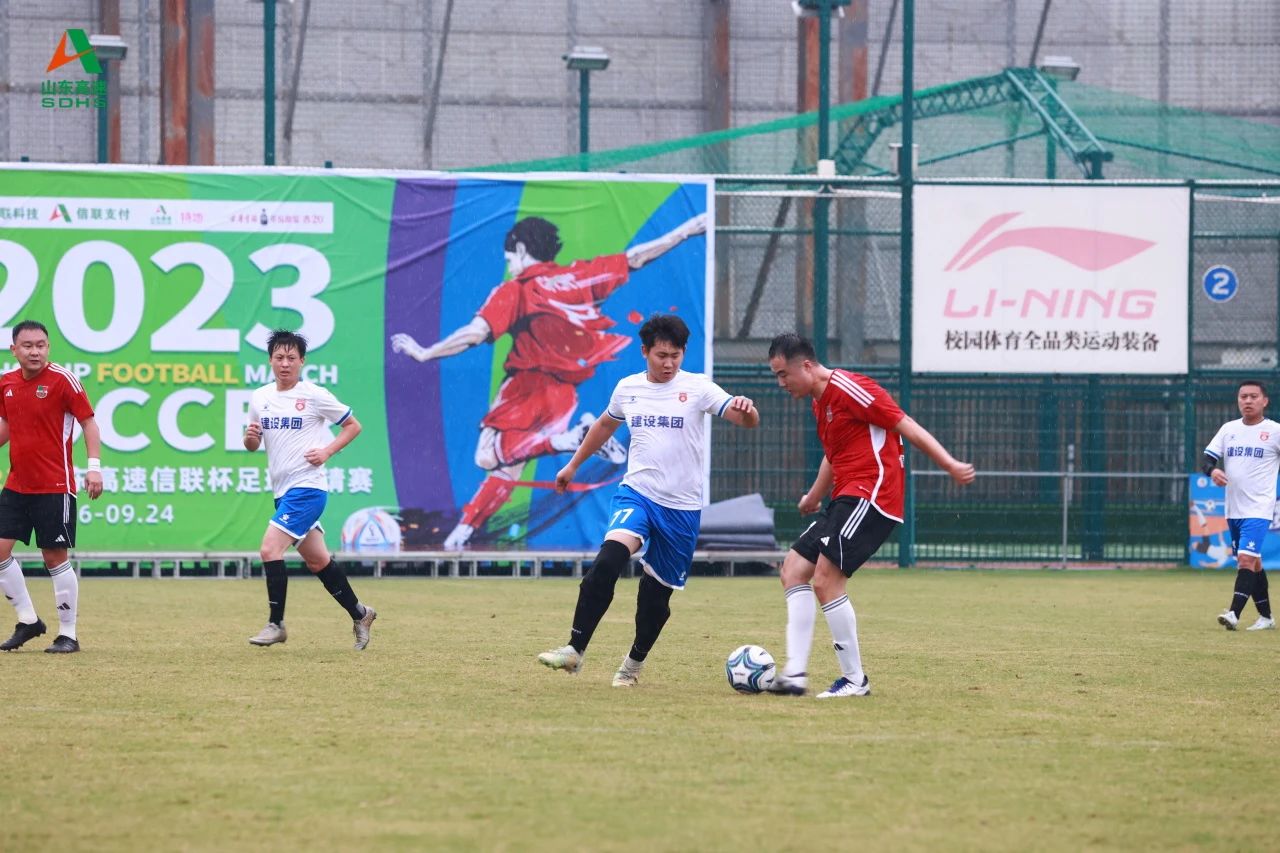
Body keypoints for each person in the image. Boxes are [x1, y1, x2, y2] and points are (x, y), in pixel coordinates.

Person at [390, 212, 707, 550]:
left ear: (521, 249)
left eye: (509, 259)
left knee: (486, 456)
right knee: (509, 469)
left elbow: (474, 334)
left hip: (526, 384)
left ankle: (568, 439)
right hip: (564, 395)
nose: (510, 266)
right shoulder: (580, 276)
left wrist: (426, 353)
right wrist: (687, 229)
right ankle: (462, 534)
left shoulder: (517, 290)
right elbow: (637, 257)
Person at [537, 314, 759, 686]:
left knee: (654, 601)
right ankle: (574, 650)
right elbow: (604, 425)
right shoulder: (628, 388)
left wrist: (748, 411)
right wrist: (573, 465)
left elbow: (745, 420)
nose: (669, 363)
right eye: (661, 355)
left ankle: (632, 665)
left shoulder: (698, 387)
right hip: (638, 494)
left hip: (682, 509)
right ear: (645, 352)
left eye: (675, 355)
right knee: (607, 561)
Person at [765, 333, 976, 698]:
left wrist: (950, 464)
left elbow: (905, 424)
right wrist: (813, 496)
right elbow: (834, 456)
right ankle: (795, 674)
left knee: (825, 580)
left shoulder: (851, 388)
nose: (781, 383)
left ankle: (854, 680)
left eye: (783, 374)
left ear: (807, 366)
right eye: (776, 376)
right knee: (793, 569)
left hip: (873, 495)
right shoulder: (819, 403)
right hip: (846, 497)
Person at [243, 329, 378, 649]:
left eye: (291, 358)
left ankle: (276, 624)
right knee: (318, 561)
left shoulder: (314, 395)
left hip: (308, 489)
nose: (285, 363)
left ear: (302, 361)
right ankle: (361, 614)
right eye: (279, 357)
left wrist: (327, 452)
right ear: (270, 360)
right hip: (282, 493)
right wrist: (250, 437)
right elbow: (252, 444)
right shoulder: (260, 397)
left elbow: (353, 426)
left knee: (269, 550)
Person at [0, 321, 103, 654]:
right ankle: (28, 620)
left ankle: (68, 634)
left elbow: (88, 423)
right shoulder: (6, 383)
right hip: (17, 484)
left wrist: (94, 468)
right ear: (14, 349)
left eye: (41, 345)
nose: (35, 351)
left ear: (48, 347)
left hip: (55, 486)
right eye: (27, 345)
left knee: (54, 557)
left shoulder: (63, 380)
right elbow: (6, 427)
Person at [1204, 380, 1278, 631]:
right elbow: (1207, 459)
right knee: (1254, 563)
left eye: (1253, 396)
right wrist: (1213, 471)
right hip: (1234, 509)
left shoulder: (1275, 431)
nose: (1247, 400)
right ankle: (1266, 617)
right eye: (1243, 396)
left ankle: (1233, 614)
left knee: (1245, 560)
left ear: (1264, 401)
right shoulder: (1229, 429)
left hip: (1259, 508)